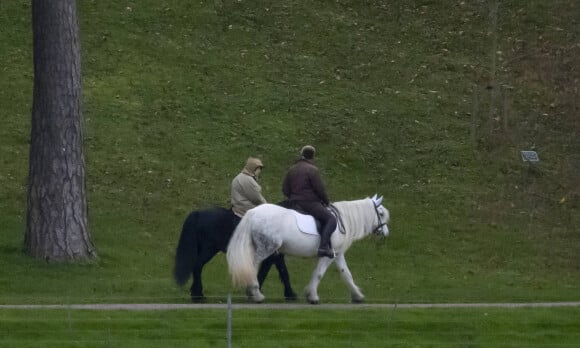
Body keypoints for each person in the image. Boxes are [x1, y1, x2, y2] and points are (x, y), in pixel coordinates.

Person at [282, 145, 337, 258]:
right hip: (309, 203)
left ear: (302, 155)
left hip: (293, 202)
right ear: (313, 156)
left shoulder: (292, 169)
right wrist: (326, 202)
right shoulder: (312, 170)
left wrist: (293, 196)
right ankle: (323, 247)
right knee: (331, 219)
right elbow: (319, 189)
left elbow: (285, 189)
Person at [231, 157, 267, 221]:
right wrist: (268, 207)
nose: (260, 171)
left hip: (238, 208)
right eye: (259, 169)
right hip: (243, 213)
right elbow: (257, 199)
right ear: (253, 168)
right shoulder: (248, 180)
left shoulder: (241, 176)